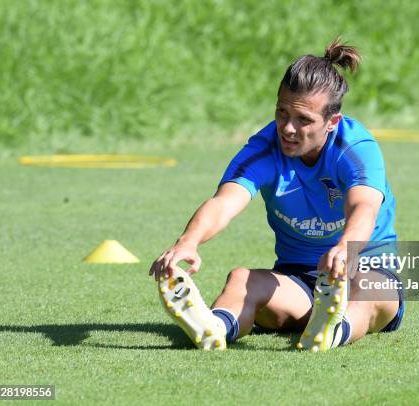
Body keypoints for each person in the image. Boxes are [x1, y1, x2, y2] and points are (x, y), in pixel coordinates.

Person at [149, 38, 405, 351]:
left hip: (363, 268)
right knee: (242, 280)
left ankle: (335, 329)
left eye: (304, 120)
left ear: (332, 122)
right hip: (299, 280)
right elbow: (224, 202)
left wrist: (345, 248)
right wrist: (187, 242)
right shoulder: (265, 149)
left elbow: (364, 206)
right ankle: (215, 326)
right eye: (282, 113)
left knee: (367, 291)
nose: (287, 128)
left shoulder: (355, 148)